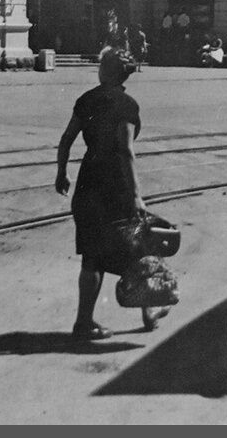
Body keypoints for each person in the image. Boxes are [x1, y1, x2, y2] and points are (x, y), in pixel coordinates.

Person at [55, 48, 166, 340]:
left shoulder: (86, 100)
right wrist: (137, 196)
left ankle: (83, 323)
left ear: (106, 70)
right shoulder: (127, 105)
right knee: (139, 248)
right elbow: (126, 151)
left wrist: (62, 172)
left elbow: (66, 140)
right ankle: (149, 309)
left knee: (91, 256)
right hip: (114, 186)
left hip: (87, 182)